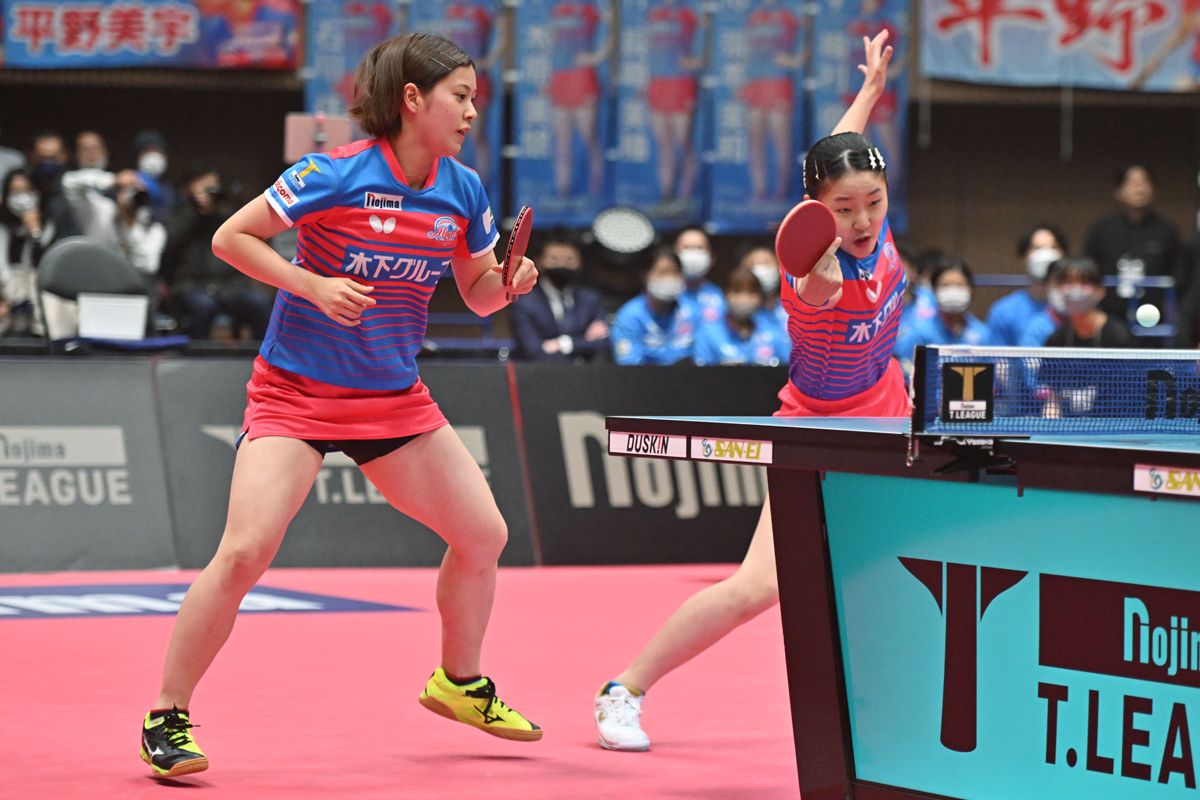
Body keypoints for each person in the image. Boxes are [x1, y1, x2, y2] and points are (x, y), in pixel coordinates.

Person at [139, 33, 542, 780]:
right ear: (412, 99)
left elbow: (480, 296)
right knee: (245, 552)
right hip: (296, 395)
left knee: (483, 534)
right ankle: (168, 714)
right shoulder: (335, 173)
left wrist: (510, 284)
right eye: (459, 96)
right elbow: (231, 238)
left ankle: (459, 682)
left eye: (474, 98)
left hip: (392, 399)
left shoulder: (463, 190)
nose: (470, 112)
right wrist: (312, 284)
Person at [595, 30, 906, 751]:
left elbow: (841, 152)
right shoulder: (814, 273)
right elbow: (818, 279)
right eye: (845, 209)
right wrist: (819, 272)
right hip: (819, 433)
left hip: (890, 412)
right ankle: (624, 690)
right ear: (817, 211)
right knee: (756, 588)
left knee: (902, 565)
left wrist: (867, 92)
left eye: (874, 201)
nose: (863, 220)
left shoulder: (863, 207)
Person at [162, 162, 273, 340]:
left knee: (259, 302)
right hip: (191, 285)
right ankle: (198, 354)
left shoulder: (226, 209)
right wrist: (196, 211)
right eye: (203, 186)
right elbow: (170, 243)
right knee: (202, 306)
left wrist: (220, 207)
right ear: (188, 188)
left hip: (231, 285)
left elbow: (246, 234)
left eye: (212, 186)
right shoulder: (178, 212)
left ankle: (261, 354)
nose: (209, 191)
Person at [1083, 164, 1180, 328]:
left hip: (1155, 316)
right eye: (1132, 183)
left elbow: (1178, 274)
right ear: (1118, 191)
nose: (1139, 188)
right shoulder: (1101, 230)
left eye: (1144, 182)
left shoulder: (1167, 231)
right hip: (1110, 316)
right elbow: (1089, 270)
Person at [510, 230, 609, 361]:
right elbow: (533, 351)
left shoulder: (591, 300)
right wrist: (583, 343)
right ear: (539, 262)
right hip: (541, 372)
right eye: (554, 259)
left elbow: (602, 344)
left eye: (569, 259)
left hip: (587, 372)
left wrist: (564, 344)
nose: (561, 264)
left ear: (580, 262)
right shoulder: (524, 303)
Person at [741, 0, 805, 201]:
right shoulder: (753, 15)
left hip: (778, 82)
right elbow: (747, 49)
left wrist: (795, 60)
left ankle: (782, 190)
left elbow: (810, 39)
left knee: (781, 140)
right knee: (755, 139)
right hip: (755, 81)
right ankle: (758, 190)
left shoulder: (789, 14)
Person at [547, 0, 612, 197]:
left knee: (588, 134)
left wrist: (598, 56)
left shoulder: (591, 8)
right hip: (560, 77)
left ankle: (596, 188)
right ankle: (563, 191)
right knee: (562, 140)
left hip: (582, 77)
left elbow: (614, 27)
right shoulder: (557, 9)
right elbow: (552, 41)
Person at [646, 0, 703, 205]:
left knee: (682, 140)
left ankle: (685, 194)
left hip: (680, 83)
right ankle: (666, 194)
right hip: (658, 83)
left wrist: (697, 61)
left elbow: (710, 41)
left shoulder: (688, 13)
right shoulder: (652, 13)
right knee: (663, 143)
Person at [611, 246, 699, 365]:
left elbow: (705, 355)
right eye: (663, 272)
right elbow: (629, 365)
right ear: (645, 275)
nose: (669, 278)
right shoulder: (630, 316)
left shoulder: (692, 311)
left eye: (675, 272)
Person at [986, 224, 1067, 346]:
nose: (1046, 255)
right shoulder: (1004, 311)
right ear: (1023, 258)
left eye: (1053, 247)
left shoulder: (1076, 308)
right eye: (1038, 248)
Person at [693, 265, 789, 366]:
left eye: (751, 292)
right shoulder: (708, 333)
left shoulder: (773, 332)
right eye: (737, 291)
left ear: (760, 297)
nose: (744, 298)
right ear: (725, 294)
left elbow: (786, 369)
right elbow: (700, 371)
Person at [1043, 257, 1134, 349]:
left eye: (1084, 283)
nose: (1076, 290)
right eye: (1068, 283)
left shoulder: (1119, 336)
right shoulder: (1056, 340)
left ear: (1101, 290)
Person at [902, 255, 989, 350]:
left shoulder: (982, 334)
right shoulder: (920, 332)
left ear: (971, 289)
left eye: (959, 285)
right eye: (946, 285)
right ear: (934, 291)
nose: (953, 291)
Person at [674, 225, 725, 324]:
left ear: (711, 257)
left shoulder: (720, 298)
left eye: (699, 248)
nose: (693, 254)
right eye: (687, 247)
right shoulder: (663, 295)